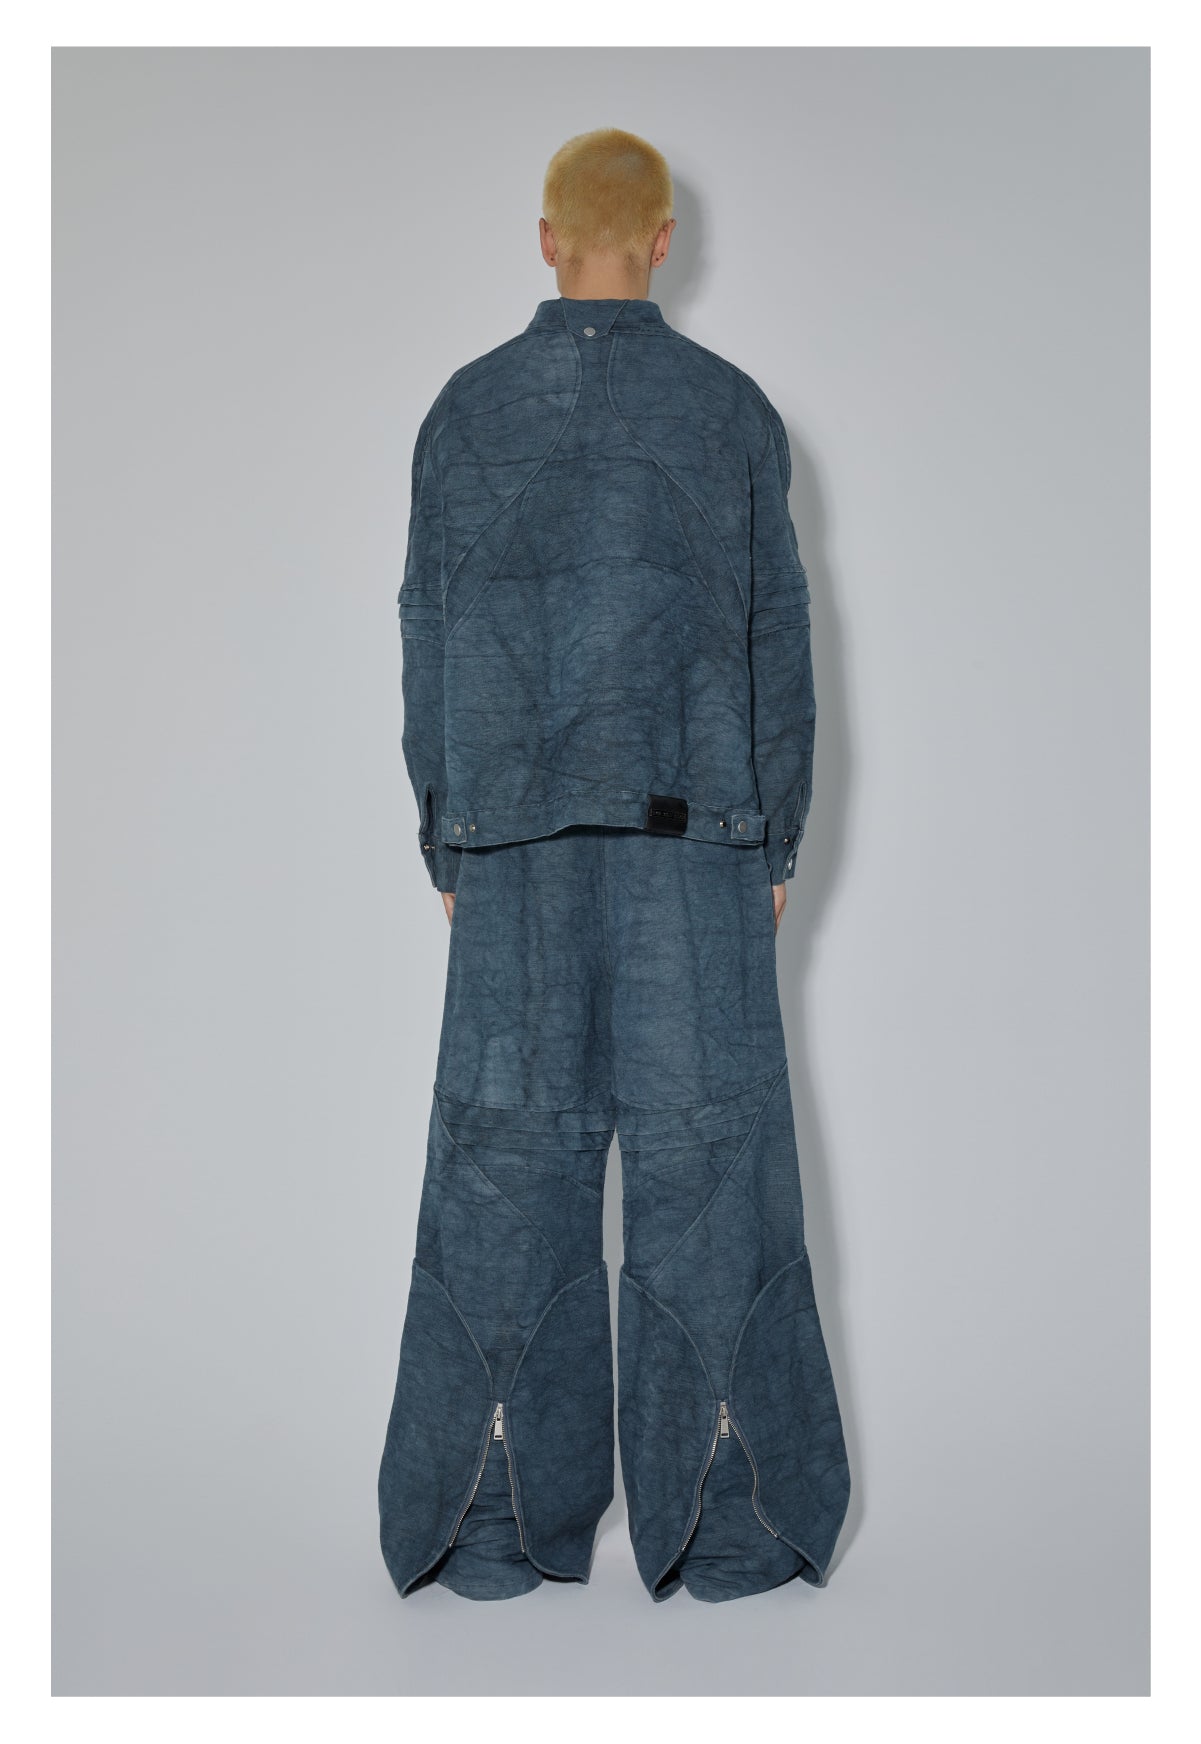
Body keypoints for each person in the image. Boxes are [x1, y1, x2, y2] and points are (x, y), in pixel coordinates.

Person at [377, 127, 851, 1604]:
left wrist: (445, 825)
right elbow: (779, 644)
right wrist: (774, 835)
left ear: (543, 240)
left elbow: (424, 633)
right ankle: (728, 1534)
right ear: (659, 242)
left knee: (502, 1176)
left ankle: (492, 1532)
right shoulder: (730, 413)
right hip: (696, 852)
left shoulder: (463, 415)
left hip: (510, 857)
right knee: (712, 1175)